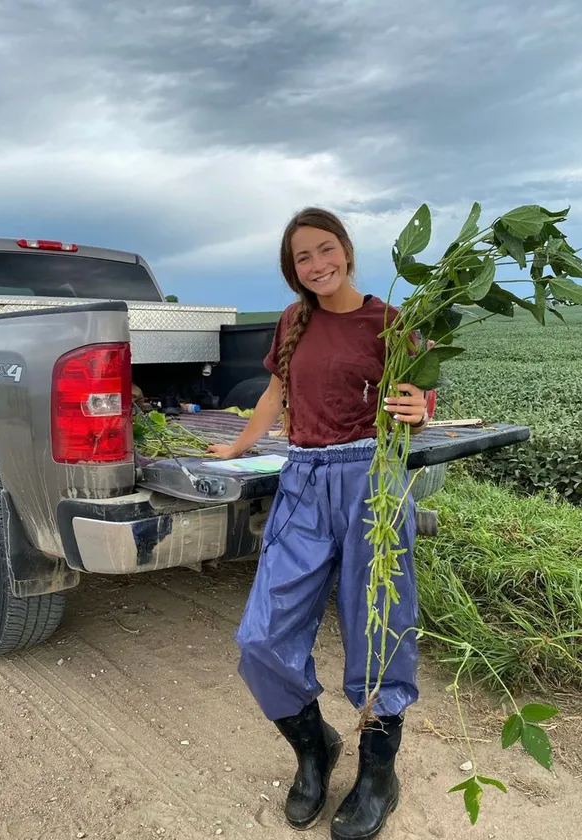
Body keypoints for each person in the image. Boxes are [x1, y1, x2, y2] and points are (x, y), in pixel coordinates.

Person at [207, 208, 428, 839]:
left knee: (380, 627)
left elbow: (418, 400)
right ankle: (315, 746)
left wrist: (420, 408)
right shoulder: (293, 320)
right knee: (262, 637)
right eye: (302, 257)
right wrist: (239, 445)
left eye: (325, 249)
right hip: (302, 479)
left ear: (347, 251)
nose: (316, 264)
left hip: (370, 479)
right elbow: (275, 394)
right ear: (293, 270)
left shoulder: (390, 321)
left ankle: (378, 773)